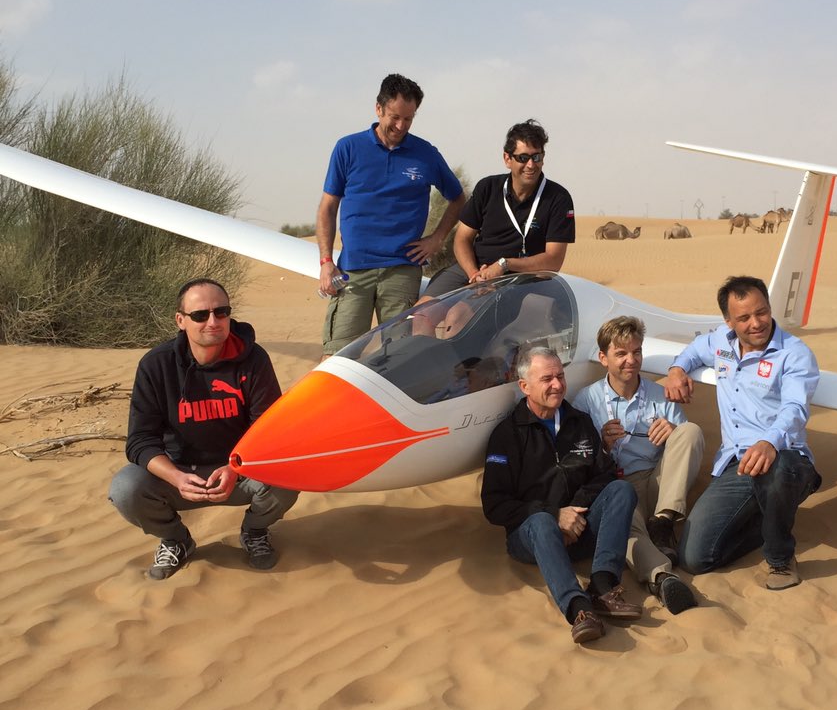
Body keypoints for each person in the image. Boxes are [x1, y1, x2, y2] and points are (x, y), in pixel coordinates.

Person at [109, 279, 299, 580]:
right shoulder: (156, 365)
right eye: (200, 315)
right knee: (125, 488)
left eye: (221, 312)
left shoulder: (253, 359)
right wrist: (177, 477)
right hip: (181, 472)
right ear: (181, 320)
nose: (213, 321)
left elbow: (267, 428)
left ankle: (254, 531)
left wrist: (234, 467)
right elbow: (140, 441)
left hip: (239, 470)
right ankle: (176, 540)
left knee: (292, 471)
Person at [663, 276, 822, 590]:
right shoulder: (721, 341)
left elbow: (795, 408)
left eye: (761, 312)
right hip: (736, 463)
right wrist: (677, 369)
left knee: (777, 470)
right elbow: (694, 350)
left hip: (782, 457)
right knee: (695, 558)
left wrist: (768, 441)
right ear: (728, 322)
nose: (756, 323)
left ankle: (780, 559)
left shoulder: (794, 353)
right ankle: (772, 516)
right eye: (744, 318)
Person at [481, 347, 642, 644]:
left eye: (560, 376)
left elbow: (604, 474)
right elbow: (494, 504)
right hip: (531, 538)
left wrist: (574, 510)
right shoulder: (507, 434)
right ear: (524, 386)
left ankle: (604, 586)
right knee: (542, 521)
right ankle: (579, 609)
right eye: (546, 379)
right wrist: (554, 515)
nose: (557, 385)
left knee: (621, 489)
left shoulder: (580, 422)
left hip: (579, 528)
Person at [317, 73, 466, 359]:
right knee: (338, 358)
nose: (401, 126)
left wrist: (436, 239)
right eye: (395, 117)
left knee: (400, 361)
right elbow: (327, 207)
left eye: (408, 119)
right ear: (379, 108)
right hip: (353, 272)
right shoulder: (347, 148)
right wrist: (325, 262)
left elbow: (458, 198)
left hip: (402, 270)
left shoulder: (426, 154)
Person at [573, 317, 705, 614]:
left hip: (661, 482)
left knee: (690, 431)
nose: (631, 361)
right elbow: (580, 462)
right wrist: (603, 446)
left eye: (636, 352)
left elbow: (686, 449)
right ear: (603, 358)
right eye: (621, 354)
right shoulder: (586, 400)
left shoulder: (660, 394)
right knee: (623, 528)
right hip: (619, 487)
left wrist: (672, 432)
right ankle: (663, 577)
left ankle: (664, 520)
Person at [421, 119, 574, 299]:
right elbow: (462, 238)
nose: (531, 165)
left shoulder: (558, 198)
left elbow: (553, 260)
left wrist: (504, 265)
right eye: (523, 158)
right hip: (472, 270)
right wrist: (475, 275)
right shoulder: (488, 187)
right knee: (421, 314)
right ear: (507, 159)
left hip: (519, 278)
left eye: (537, 157)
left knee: (459, 317)